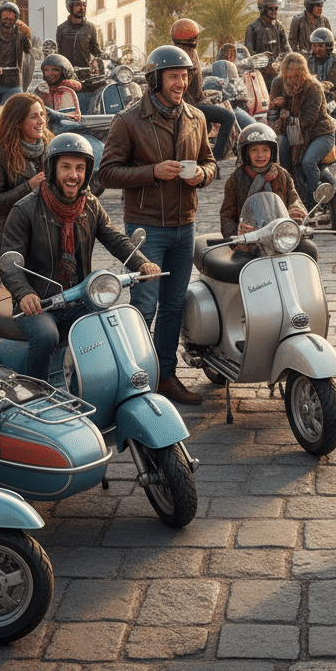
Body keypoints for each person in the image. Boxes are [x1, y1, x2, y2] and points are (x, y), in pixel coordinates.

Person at [98, 45, 217, 405]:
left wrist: (203, 175)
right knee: (145, 305)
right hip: (146, 229)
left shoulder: (196, 117)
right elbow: (107, 173)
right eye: (173, 76)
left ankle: (166, 376)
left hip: (186, 225)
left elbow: (211, 162)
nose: (181, 82)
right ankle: (136, 377)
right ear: (155, 80)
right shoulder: (128, 120)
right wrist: (151, 172)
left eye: (185, 76)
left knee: (174, 305)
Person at [0, 134, 160, 380]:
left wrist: (141, 262)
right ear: (52, 169)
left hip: (79, 298)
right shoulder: (25, 210)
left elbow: (114, 238)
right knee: (46, 336)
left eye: (80, 168)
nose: (73, 175)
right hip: (40, 302)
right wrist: (24, 293)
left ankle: (90, 388)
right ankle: (36, 390)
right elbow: (10, 264)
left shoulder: (90, 205)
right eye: (66, 167)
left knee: (109, 327)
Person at [219, 123, 316, 257]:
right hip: (250, 240)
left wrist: (296, 210)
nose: (260, 155)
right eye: (254, 150)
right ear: (245, 152)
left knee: (309, 249)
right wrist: (238, 231)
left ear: (273, 152)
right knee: (237, 265)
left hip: (280, 237)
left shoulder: (282, 175)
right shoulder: (235, 180)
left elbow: (294, 199)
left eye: (265, 150)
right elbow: (226, 217)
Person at [268, 52, 336, 211]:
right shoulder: (278, 83)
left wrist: (286, 115)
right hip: (289, 132)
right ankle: (287, 194)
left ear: (303, 73)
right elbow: (272, 119)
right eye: (289, 77)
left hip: (319, 133)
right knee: (282, 153)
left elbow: (308, 120)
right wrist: (274, 107)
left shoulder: (313, 87)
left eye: (296, 77)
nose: (292, 81)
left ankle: (318, 200)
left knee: (308, 162)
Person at [0, 92, 53, 246]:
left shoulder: (52, 146)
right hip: (14, 234)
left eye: (42, 114)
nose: (41, 121)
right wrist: (28, 186)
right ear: (17, 122)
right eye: (34, 116)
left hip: (49, 230)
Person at [172, 18, 237, 162]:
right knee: (228, 117)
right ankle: (216, 157)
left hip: (188, 103)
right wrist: (200, 101)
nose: (197, 38)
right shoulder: (186, 56)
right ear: (191, 37)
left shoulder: (180, 52)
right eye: (195, 36)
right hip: (188, 106)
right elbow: (188, 87)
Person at [56, 0, 103, 114]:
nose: (82, 8)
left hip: (85, 77)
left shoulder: (91, 28)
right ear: (70, 7)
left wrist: (107, 57)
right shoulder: (61, 29)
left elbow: (96, 50)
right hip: (66, 78)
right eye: (77, 5)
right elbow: (59, 54)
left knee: (87, 109)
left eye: (84, 5)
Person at [244, 0, 289, 88]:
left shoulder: (278, 26)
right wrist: (265, 65)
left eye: (276, 9)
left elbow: (286, 49)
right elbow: (249, 54)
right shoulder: (252, 28)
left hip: (277, 73)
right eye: (271, 9)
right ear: (263, 9)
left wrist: (278, 64)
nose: (274, 11)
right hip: (259, 76)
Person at [36, 52, 83, 118]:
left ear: (63, 71)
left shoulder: (72, 91)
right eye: (46, 70)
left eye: (55, 70)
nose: (50, 73)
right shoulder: (41, 89)